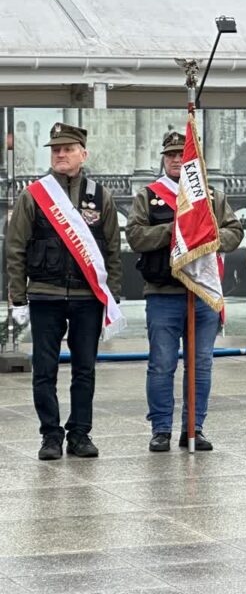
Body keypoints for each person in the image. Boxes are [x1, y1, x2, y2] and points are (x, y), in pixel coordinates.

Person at [6, 122, 121, 460]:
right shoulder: (34, 195)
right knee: (44, 370)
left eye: (68, 149)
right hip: (45, 295)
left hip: (88, 298)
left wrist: (112, 297)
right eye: (56, 149)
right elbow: (15, 248)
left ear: (83, 154)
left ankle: (80, 434)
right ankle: (50, 436)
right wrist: (18, 297)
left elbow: (113, 250)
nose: (60, 154)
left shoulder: (100, 196)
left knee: (85, 369)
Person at [126, 130, 243, 452]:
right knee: (161, 364)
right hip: (162, 292)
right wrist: (176, 229)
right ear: (164, 160)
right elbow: (135, 236)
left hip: (202, 293)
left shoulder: (211, 197)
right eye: (171, 155)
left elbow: (234, 232)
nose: (177, 160)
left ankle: (194, 427)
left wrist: (204, 234)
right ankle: (161, 429)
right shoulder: (148, 196)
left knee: (201, 365)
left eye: (182, 155)